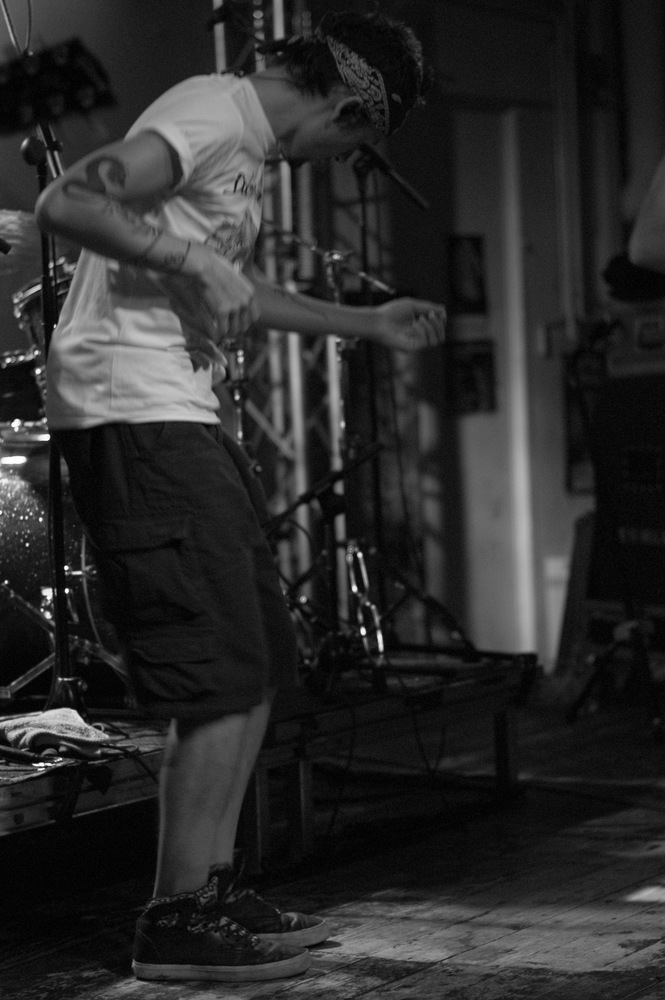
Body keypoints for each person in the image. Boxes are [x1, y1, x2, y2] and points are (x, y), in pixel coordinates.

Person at [35, 8, 446, 985]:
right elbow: (66, 199)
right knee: (216, 669)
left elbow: (234, 293)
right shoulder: (214, 114)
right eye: (353, 143)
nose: (333, 160)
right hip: (132, 410)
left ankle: (210, 889)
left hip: (178, 411)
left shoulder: (240, 150)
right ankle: (175, 916)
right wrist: (189, 258)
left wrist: (365, 322)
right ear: (348, 109)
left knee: (255, 661)